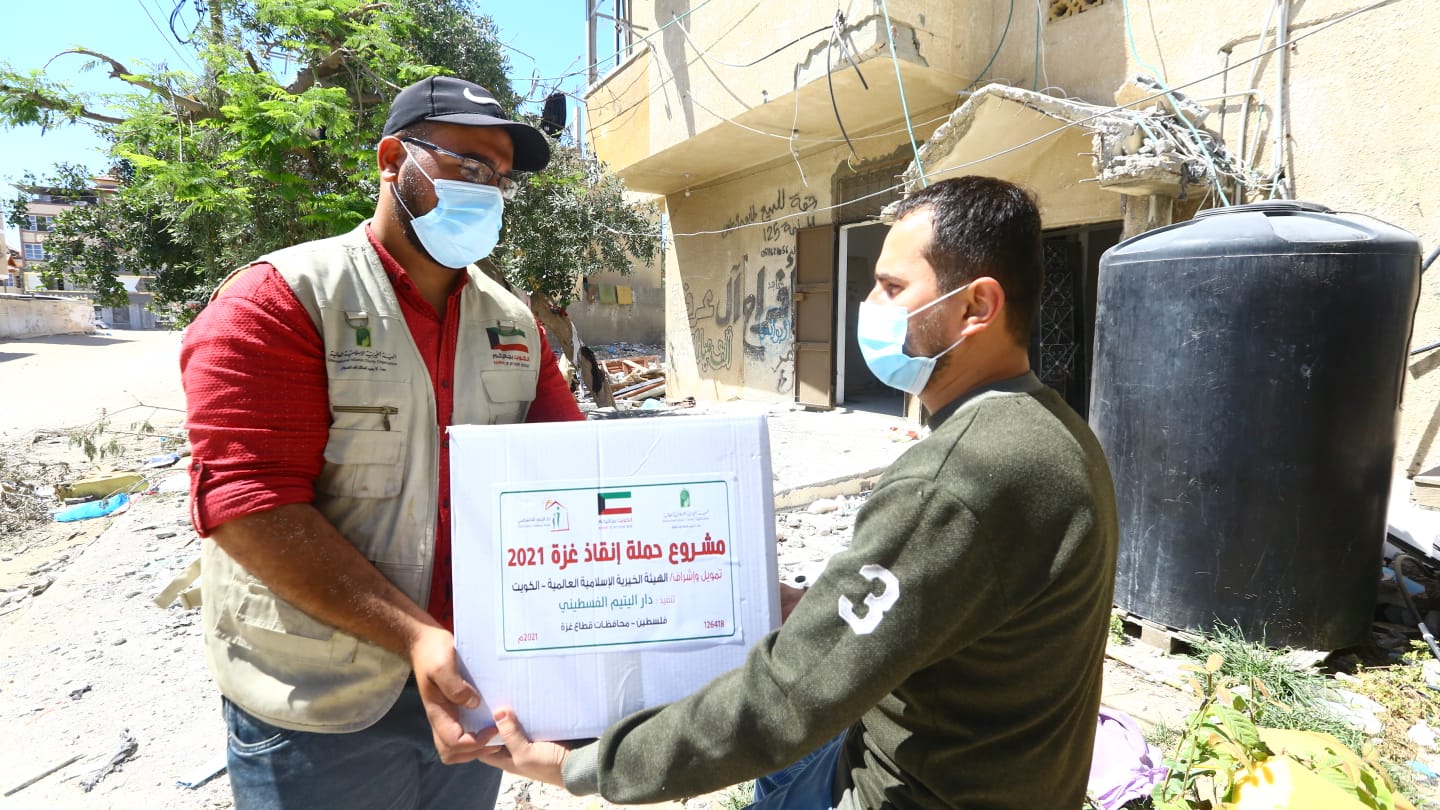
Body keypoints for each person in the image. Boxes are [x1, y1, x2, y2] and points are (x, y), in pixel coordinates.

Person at [477, 175, 1120, 809]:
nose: (870, 304)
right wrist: (821, 607)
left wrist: (585, 765)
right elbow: (960, 606)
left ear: (976, 307)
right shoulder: (1057, 430)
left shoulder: (954, 477)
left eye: (893, 287)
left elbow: (783, 702)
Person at [180, 76, 583, 809]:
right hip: (319, 703)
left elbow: (573, 475)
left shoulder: (514, 325)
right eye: (468, 164)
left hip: (471, 683)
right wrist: (415, 635)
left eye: (500, 177)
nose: (488, 190)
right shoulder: (282, 299)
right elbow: (247, 505)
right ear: (393, 159)